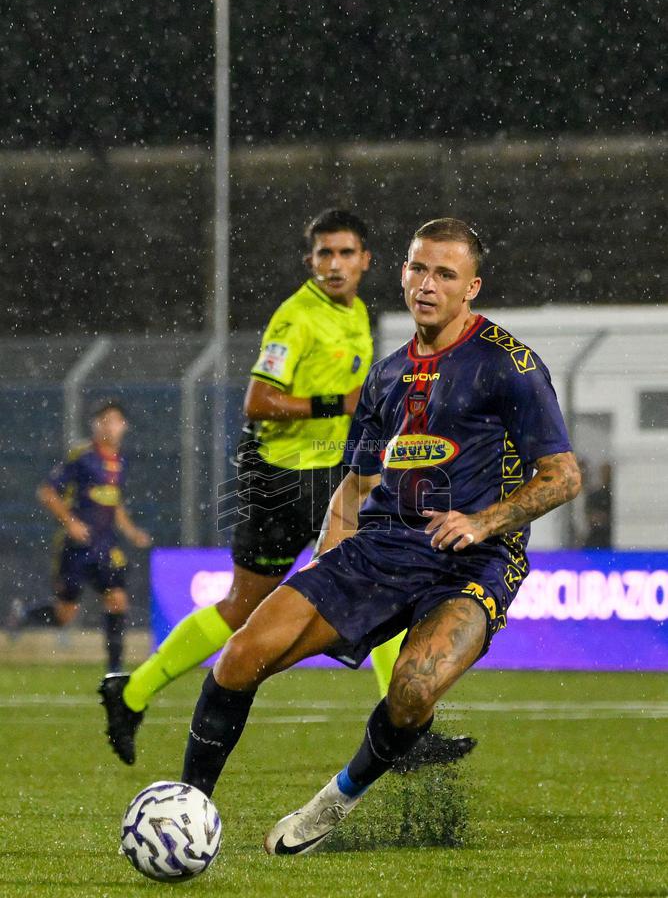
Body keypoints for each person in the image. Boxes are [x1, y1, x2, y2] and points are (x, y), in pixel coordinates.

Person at [176, 217, 581, 856]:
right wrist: (326, 567)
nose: (427, 284)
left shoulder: (510, 367)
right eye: (418, 268)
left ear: (471, 286)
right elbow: (356, 486)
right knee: (240, 656)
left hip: (471, 562)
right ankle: (185, 812)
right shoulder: (387, 375)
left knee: (414, 688)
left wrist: (483, 520)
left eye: (445, 273)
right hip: (381, 548)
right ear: (401, 273)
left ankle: (333, 802)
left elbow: (562, 478)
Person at [101, 209, 475, 767]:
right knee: (240, 609)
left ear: (368, 262)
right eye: (325, 254)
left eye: (346, 253)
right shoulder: (297, 318)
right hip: (281, 481)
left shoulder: (357, 317)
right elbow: (257, 402)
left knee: (383, 583)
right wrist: (337, 404)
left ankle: (404, 730)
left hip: (335, 480)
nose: (335, 264)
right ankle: (130, 692)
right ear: (311, 261)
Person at [10, 400, 151, 673]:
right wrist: (71, 522)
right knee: (65, 614)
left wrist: (131, 531)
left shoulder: (120, 461)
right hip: (76, 546)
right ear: (95, 425)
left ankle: (115, 671)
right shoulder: (82, 458)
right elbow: (47, 492)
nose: (110, 426)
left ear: (124, 426)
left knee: (117, 599)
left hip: (105, 546)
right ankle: (25, 615)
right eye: (104, 420)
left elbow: (115, 502)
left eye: (115, 421)